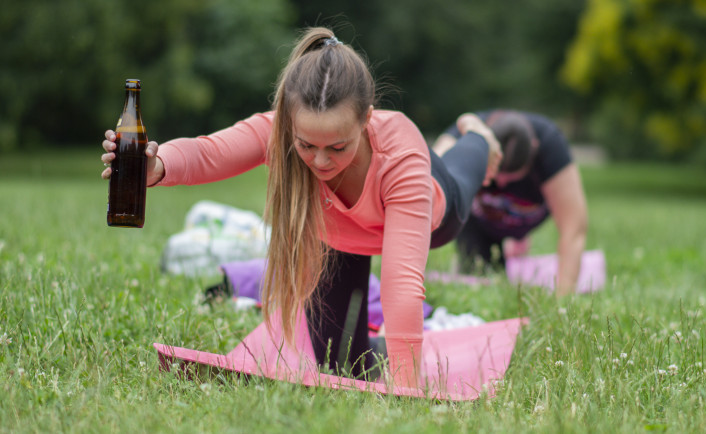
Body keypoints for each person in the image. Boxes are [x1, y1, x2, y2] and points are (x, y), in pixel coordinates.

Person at [100, 27, 501, 389]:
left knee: (464, 172)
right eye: (307, 145)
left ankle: (477, 137)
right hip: (340, 239)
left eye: (337, 147)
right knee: (342, 365)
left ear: (366, 119)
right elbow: (210, 152)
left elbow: (402, 283)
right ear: (290, 122)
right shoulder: (277, 130)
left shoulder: (399, 154)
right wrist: (155, 167)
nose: (321, 162)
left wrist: (408, 389)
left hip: (434, 213)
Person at [432, 109, 588, 296]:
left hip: (526, 211)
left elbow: (574, 230)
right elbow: (431, 183)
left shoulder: (550, 145)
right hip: (477, 221)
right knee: (481, 285)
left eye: (511, 178)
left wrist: (564, 298)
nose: (502, 183)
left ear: (535, 149)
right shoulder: (464, 137)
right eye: (495, 176)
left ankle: (516, 236)